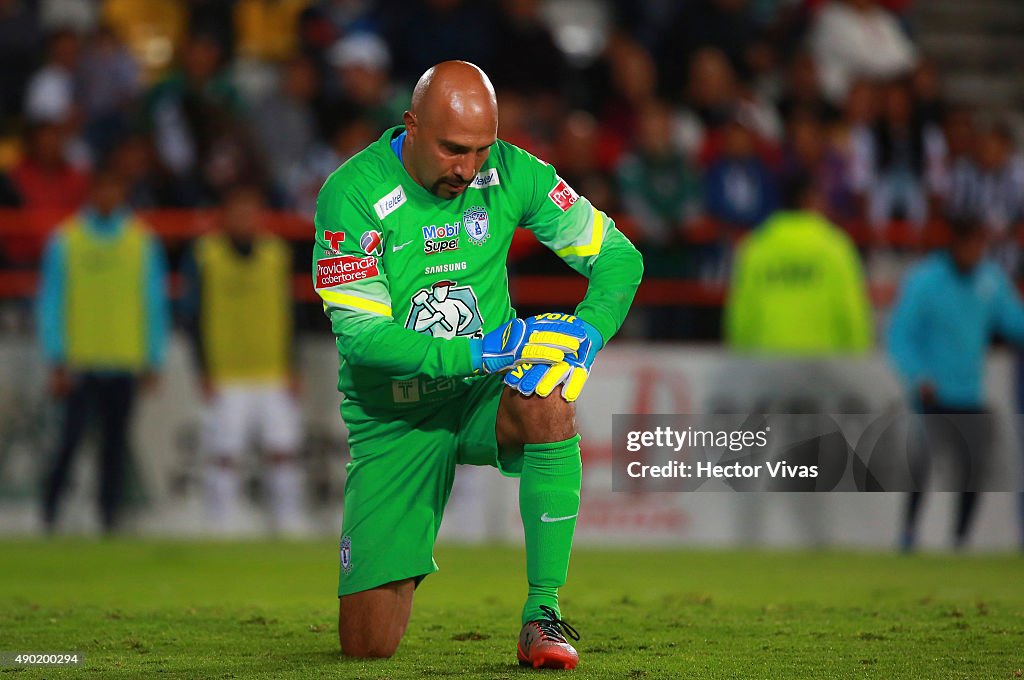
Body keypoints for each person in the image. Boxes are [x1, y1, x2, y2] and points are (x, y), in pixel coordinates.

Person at [312, 61, 643, 667]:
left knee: (548, 396)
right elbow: (363, 340)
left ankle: (543, 612)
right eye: (452, 149)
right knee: (367, 648)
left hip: (480, 396)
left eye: (480, 149)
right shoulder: (352, 194)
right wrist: (483, 347)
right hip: (396, 418)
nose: (467, 168)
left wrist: (587, 334)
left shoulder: (512, 170)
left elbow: (620, 259)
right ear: (411, 125)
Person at [37, 167, 170, 533]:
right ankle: (49, 512)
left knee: (114, 447)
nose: (109, 197)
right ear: (92, 193)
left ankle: (108, 519)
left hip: (124, 361)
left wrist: (153, 357)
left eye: (115, 188)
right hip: (80, 361)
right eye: (103, 189)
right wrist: (56, 357)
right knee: (69, 441)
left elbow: (154, 304)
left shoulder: (142, 241)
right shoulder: (66, 241)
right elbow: (51, 302)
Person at [887, 218, 1024, 551]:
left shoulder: (989, 280)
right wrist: (917, 375)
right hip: (933, 391)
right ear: (956, 243)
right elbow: (900, 334)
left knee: (973, 471)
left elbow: (1014, 322)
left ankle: (961, 539)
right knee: (922, 468)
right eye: (972, 244)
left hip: (970, 392)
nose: (977, 252)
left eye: (981, 245)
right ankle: (908, 535)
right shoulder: (925, 281)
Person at [179, 183, 304, 535]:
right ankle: (221, 523)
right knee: (225, 453)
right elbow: (192, 315)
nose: (245, 219)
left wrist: (293, 365)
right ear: (224, 216)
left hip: (272, 370)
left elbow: (289, 313)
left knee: (283, 450)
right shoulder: (206, 255)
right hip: (227, 371)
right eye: (238, 212)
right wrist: (203, 368)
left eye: (252, 211)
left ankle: (288, 521)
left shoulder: (276, 253)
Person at [725, 173, 873, 354]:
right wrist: (857, 361)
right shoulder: (835, 247)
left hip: (767, 364)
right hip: (824, 366)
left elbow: (741, 318)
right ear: (810, 199)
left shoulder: (756, 247)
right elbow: (852, 314)